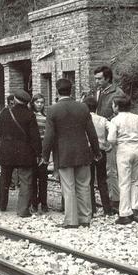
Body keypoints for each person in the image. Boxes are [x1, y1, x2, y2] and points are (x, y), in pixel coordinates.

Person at [42, 79, 101, 228]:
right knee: (84, 186)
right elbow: (92, 133)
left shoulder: (52, 110)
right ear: (71, 90)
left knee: (68, 188)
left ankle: (71, 221)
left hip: (64, 154)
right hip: (83, 153)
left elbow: (48, 136)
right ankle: (85, 219)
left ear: (56, 91)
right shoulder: (83, 108)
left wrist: (45, 156)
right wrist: (96, 151)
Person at [0, 89, 42, 218]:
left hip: (7, 151)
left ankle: (3, 204)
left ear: (15, 99)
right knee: (26, 181)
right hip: (25, 152)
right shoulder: (29, 115)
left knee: (5, 178)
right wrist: (38, 153)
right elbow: (35, 137)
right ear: (27, 102)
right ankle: (22, 210)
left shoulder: (5, 112)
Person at [107, 96, 138, 225]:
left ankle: (124, 213)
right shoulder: (136, 117)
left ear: (117, 106)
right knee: (135, 180)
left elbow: (111, 138)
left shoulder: (115, 120)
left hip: (124, 151)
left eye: (113, 105)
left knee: (124, 182)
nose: (112, 107)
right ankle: (134, 207)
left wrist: (117, 142)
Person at [93, 65, 125, 212]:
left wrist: (104, 121)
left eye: (99, 79)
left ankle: (116, 201)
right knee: (104, 170)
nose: (97, 81)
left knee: (111, 169)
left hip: (111, 137)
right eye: (95, 79)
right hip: (99, 137)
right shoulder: (97, 92)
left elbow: (121, 114)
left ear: (107, 78)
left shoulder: (117, 93)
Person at [83, 96, 114, 216]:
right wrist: (109, 143)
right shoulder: (102, 119)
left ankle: (92, 208)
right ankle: (107, 209)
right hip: (101, 151)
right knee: (102, 180)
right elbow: (112, 127)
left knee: (89, 180)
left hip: (88, 151)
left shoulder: (84, 118)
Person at [29, 93, 49, 213]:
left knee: (43, 178)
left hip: (43, 150)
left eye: (41, 102)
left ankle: (44, 202)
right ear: (33, 103)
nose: (40, 105)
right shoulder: (31, 116)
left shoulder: (46, 117)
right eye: (37, 102)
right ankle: (34, 203)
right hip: (32, 150)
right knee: (33, 178)